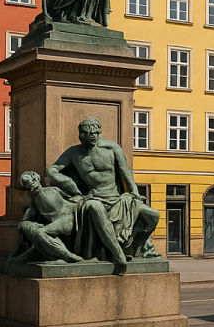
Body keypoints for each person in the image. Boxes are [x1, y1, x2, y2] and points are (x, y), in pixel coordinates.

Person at [47, 117, 160, 273]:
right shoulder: (74, 153)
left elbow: (126, 172)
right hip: (92, 198)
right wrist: (69, 184)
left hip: (117, 200)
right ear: (81, 135)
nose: (92, 135)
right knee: (94, 206)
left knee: (153, 216)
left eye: (94, 132)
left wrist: (134, 192)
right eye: (87, 133)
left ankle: (133, 247)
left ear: (99, 132)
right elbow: (52, 170)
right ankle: (118, 255)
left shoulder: (112, 148)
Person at [7, 171, 83, 264]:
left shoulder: (54, 190)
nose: (31, 185)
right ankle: (21, 257)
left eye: (32, 181)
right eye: (27, 184)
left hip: (67, 219)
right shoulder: (34, 201)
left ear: (36, 179)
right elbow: (28, 215)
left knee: (40, 233)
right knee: (38, 237)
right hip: (55, 223)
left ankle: (66, 255)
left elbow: (72, 199)